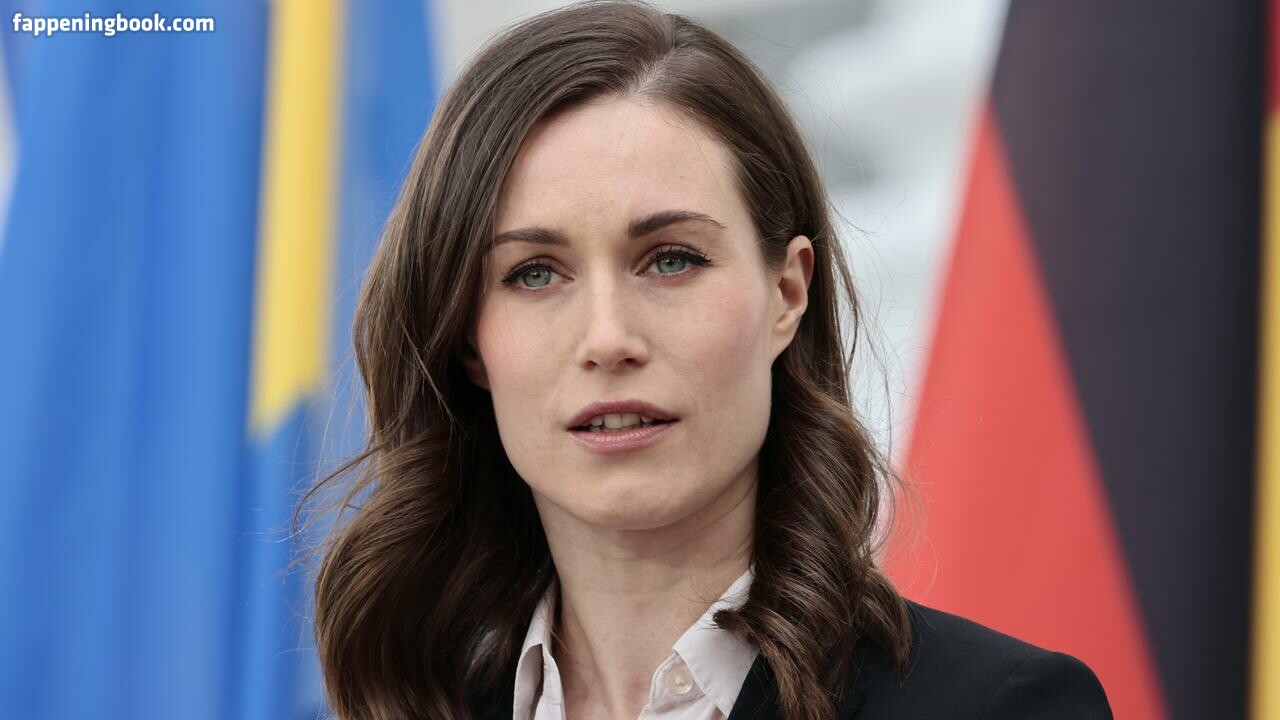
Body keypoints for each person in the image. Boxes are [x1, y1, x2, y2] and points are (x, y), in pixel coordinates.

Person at [303, 2, 1114, 719]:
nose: (608, 338)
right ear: (467, 339)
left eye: (671, 260)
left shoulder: (1001, 708)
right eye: (535, 274)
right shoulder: (406, 704)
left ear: (787, 293)